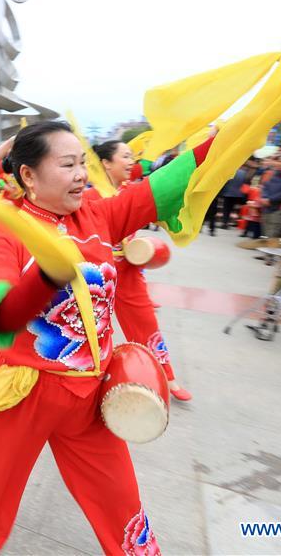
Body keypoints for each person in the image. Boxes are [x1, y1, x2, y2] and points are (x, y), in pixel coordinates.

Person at [0, 74, 281, 555]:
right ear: (28, 177)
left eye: (83, 162)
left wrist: (270, 111)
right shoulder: (7, 232)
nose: (83, 174)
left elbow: (187, 169)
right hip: (27, 389)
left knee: (120, 497)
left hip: (90, 391)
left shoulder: (100, 216)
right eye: (68, 165)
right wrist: (43, 277)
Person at [94, 139, 191, 401]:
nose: (131, 162)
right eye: (124, 157)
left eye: (131, 157)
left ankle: (167, 376)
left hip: (128, 273)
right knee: (92, 330)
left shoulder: (132, 192)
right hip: (96, 275)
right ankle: (95, 377)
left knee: (147, 323)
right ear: (105, 163)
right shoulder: (88, 197)